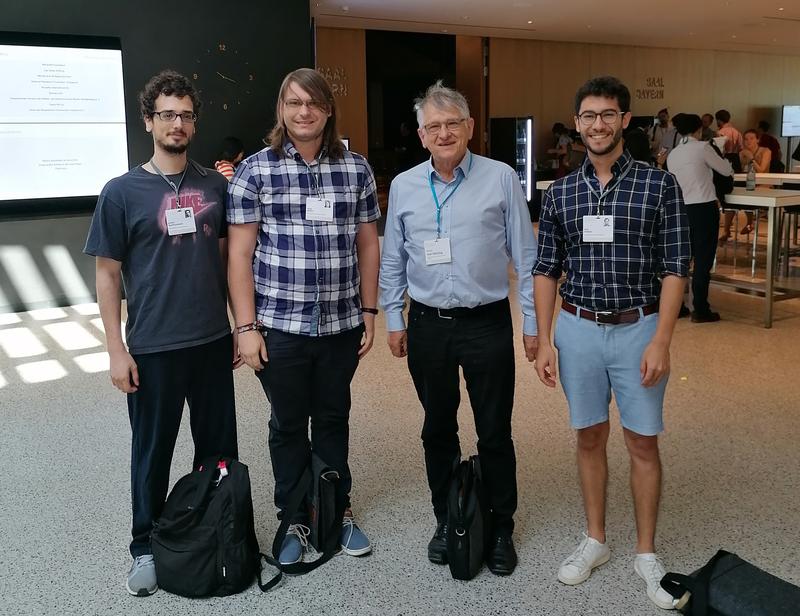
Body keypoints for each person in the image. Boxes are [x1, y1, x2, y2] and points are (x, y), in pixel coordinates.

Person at [533, 76, 689, 610]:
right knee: (589, 437)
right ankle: (596, 537)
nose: (597, 124)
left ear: (626, 121)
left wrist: (662, 340)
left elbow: (675, 268)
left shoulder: (658, 184)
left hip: (639, 327)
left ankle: (647, 551)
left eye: (608, 114)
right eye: (588, 115)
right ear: (577, 123)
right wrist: (546, 338)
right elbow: (546, 268)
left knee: (643, 441)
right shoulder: (562, 192)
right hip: (577, 329)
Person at [84, 70, 239, 597]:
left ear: (194, 121)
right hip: (152, 348)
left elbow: (230, 259)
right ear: (148, 120)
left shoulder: (214, 185)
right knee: (151, 452)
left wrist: (241, 326)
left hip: (212, 342)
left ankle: (218, 527)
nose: (178, 123)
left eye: (186, 114)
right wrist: (115, 348)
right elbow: (107, 274)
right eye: (167, 114)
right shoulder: (122, 192)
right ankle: (144, 545)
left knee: (218, 449)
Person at [379, 81, 537, 576]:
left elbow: (526, 258)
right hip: (428, 325)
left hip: (487, 322)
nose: (444, 133)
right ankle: (449, 519)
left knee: (494, 430)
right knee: (437, 429)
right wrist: (393, 316)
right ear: (421, 135)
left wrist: (531, 323)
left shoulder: (501, 178)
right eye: (434, 126)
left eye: (453, 123)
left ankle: (501, 524)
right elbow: (392, 260)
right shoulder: (405, 185)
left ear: (469, 128)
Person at [226, 68, 380, 565]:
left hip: (340, 325)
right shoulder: (256, 170)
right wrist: (246, 328)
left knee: (333, 419)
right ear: (281, 110)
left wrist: (370, 310)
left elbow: (368, 246)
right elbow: (239, 256)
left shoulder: (356, 168)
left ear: (328, 109)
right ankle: (294, 516)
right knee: (289, 425)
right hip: (280, 328)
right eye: (294, 103)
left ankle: (336, 511)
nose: (304, 111)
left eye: (313, 102)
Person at [667, 113, 733, 322]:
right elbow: (725, 169)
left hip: (680, 211)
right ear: (699, 130)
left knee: (682, 260)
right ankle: (700, 309)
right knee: (703, 260)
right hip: (703, 208)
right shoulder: (703, 147)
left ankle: (677, 307)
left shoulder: (673, 154)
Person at [720, 128, 772, 240]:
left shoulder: (765, 151)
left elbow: (762, 170)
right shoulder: (742, 153)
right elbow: (739, 170)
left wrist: (751, 158)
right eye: (746, 139)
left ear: (757, 140)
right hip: (745, 182)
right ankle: (726, 230)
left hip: (761, 183)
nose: (748, 141)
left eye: (752, 138)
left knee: (748, 192)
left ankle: (750, 223)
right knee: (730, 197)